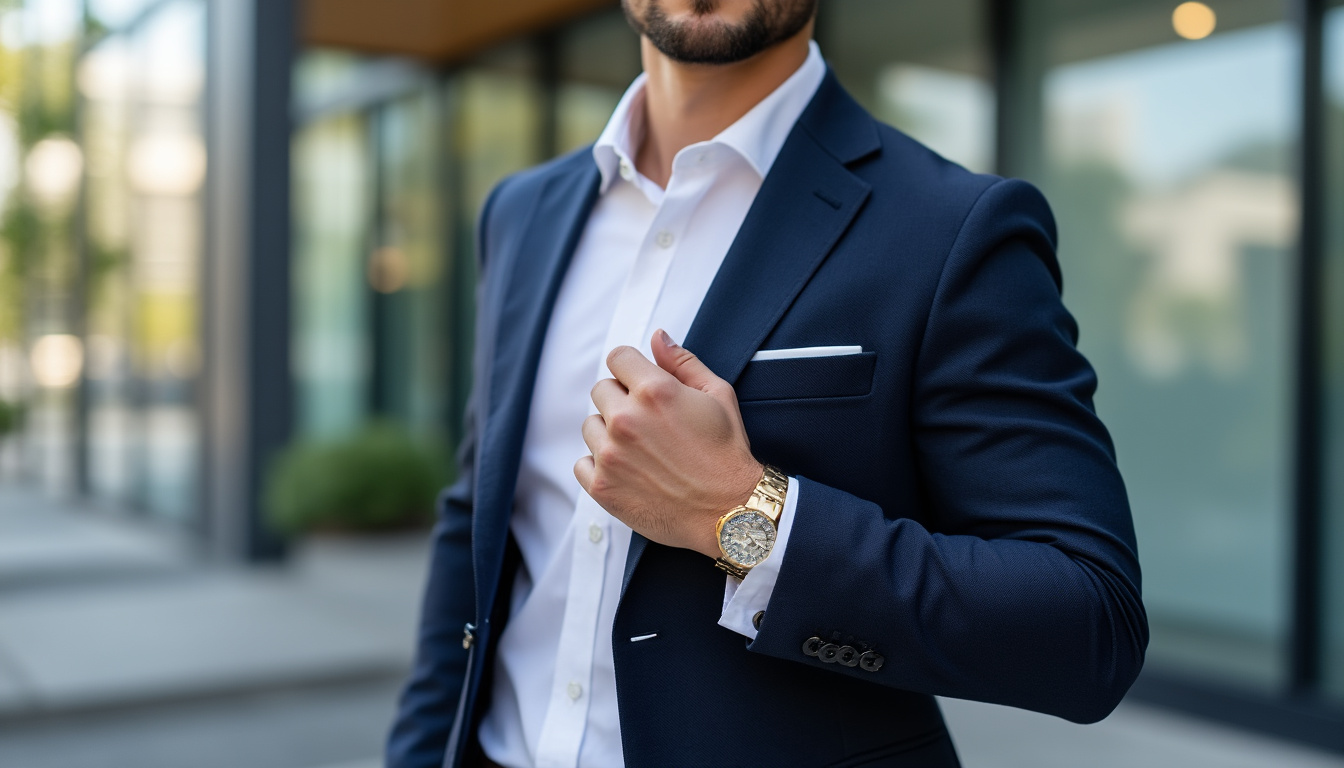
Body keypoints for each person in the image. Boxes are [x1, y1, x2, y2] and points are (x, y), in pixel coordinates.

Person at [387, 0, 1148, 766]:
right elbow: (479, 517)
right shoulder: (521, 212)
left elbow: (1089, 626)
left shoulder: (952, 227)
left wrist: (741, 515)